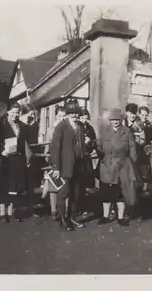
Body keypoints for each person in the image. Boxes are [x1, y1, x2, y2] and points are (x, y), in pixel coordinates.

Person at [96, 108, 138, 227]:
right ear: (110, 120)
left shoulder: (127, 132)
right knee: (106, 193)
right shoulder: (104, 131)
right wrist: (103, 157)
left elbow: (132, 148)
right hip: (107, 166)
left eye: (117, 119)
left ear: (121, 120)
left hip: (122, 166)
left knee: (120, 193)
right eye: (113, 119)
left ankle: (120, 217)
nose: (115, 122)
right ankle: (105, 216)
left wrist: (132, 163)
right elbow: (99, 145)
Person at [50, 99, 87, 231]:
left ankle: (71, 217)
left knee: (75, 194)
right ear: (67, 114)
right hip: (65, 166)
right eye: (71, 113)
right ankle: (61, 218)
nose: (74, 116)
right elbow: (55, 148)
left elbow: (82, 144)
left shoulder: (81, 126)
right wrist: (55, 167)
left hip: (78, 165)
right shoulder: (61, 126)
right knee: (64, 193)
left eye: (76, 113)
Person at [0, 103, 32, 223]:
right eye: (12, 112)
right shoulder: (1, 125)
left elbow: (24, 142)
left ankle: (11, 212)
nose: (14, 115)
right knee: (4, 186)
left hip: (17, 159)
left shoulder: (22, 126)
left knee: (14, 187)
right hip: (5, 159)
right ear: (7, 112)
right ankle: (2, 213)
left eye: (17, 112)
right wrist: (1, 152)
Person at [42, 105, 67, 221]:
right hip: (54, 159)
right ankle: (53, 210)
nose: (62, 118)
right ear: (56, 116)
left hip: (65, 159)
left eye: (64, 116)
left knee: (65, 184)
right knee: (53, 184)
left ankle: (64, 209)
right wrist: (48, 157)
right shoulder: (50, 129)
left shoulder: (68, 129)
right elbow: (47, 144)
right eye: (60, 116)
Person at [78, 108, 97, 217]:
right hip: (79, 158)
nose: (84, 120)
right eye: (82, 118)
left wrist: (90, 143)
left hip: (87, 157)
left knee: (88, 183)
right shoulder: (77, 128)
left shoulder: (90, 129)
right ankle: (79, 207)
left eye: (86, 118)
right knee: (79, 184)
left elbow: (94, 141)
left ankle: (88, 206)